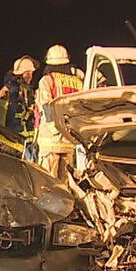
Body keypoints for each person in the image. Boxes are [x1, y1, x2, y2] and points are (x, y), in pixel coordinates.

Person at [33, 44, 83, 178]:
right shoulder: (78, 82)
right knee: (66, 184)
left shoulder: (47, 80)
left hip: (50, 141)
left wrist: (54, 129)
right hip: (69, 140)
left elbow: (45, 106)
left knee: (47, 182)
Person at [0, 55, 38, 137]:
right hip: (13, 137)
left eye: (31, 73)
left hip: (29, 139)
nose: (30, 77)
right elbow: (1, 118)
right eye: (27, 73)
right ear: (19, 75)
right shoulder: (7, 91)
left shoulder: (30, 92)